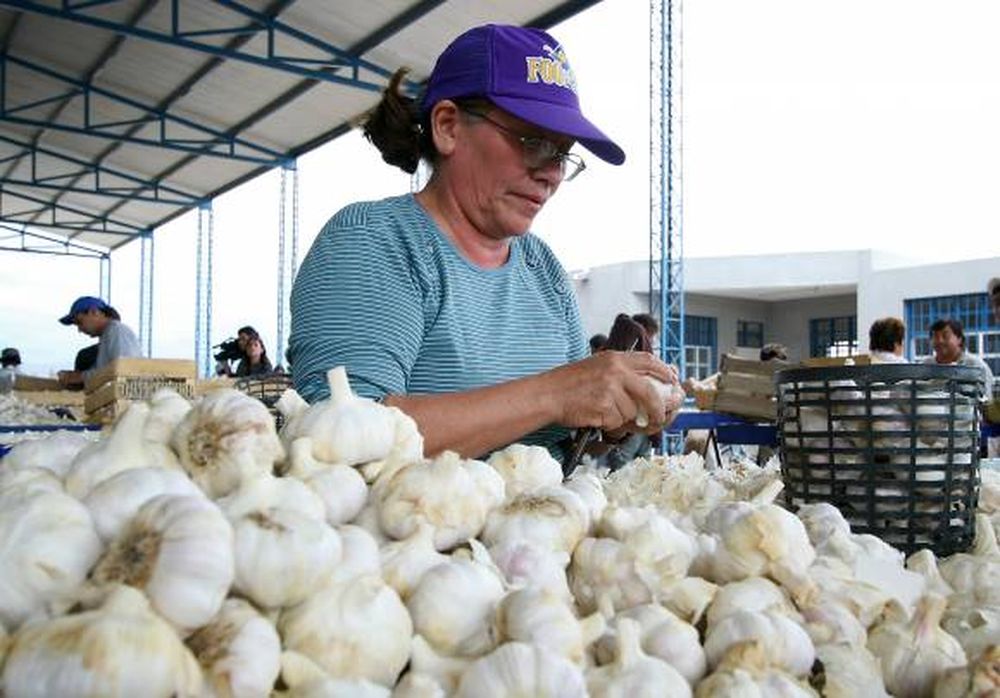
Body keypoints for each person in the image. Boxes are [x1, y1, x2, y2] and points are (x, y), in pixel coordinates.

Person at [288, 24, 680, 462]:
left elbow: (564, 431)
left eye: (562, 154)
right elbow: (342, 440)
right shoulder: (374, 241)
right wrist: (556, 393)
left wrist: (617, 414)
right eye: (535, 142)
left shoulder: (543, 270)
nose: (552, 173)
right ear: (448, 127)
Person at [57, 296, 142, 388]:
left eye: (79, 322)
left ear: (94, 312)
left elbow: (125, 369)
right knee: (84, 356)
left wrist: (80, 377)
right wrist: (76, 376)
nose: (80, 329)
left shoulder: (116, 330)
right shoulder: (107, 336)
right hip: (115, 392)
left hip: (126, 394)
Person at [923, 318, 995, 397]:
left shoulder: (976, 365)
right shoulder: (925, 365)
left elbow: (987, 399)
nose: (940, 341)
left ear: (959, 339)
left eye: (945, 336)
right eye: (936, 337)